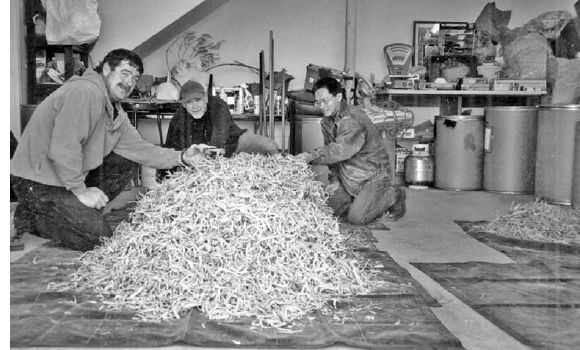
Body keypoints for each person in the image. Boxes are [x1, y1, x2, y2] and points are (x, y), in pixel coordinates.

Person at [10, 48, 208, 252]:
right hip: (37, 182)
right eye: (124, 73)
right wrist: (81, 191)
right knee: (99, 239)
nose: (129, 82)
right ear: (106, 69)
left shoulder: (114, 110)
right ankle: (32, 215)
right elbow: (63, 147)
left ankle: (68, 213)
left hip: (60, 177)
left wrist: (183, 157)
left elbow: (140, 149)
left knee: (127, 160)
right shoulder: (85, 92)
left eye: (135, 77)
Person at [294, 77, 406, 226]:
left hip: (373, 176)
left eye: (325, 101)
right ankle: (358, 199)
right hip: (349, 178)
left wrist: (310, 156)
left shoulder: (352, 118)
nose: (321, 106)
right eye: (317, 102)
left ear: (338, 97)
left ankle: (394, 195)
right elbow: (332, 157)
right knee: (325, 210)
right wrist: (334, 180)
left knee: (356, 218)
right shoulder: (327, 122)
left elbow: (340, 151)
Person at [162, 80, 279, 165]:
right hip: (200, 153)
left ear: (205, 98)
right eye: (189, 102)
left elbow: (220, 138)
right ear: (183, 104)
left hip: (232, 142)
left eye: (197, 100)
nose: (194, 106)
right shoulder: (179, 118)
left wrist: (209, 158)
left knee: (270, 146)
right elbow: (170, 147)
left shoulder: (218, 105)